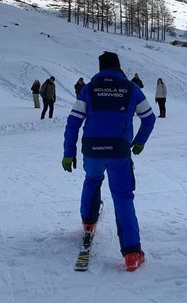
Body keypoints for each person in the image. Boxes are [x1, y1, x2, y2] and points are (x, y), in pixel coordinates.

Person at [62, 51, 156, 272]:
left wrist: (69, 153)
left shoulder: (88, 89)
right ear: (118, 67)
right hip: (119, 152)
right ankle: (132, 253)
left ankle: (88, 222)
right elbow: (149, 118)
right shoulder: (132, 89)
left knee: (92, 180)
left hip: (92, 149)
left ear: (101, 68)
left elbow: (73, 123)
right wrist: (139, 141)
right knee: (123, 197)